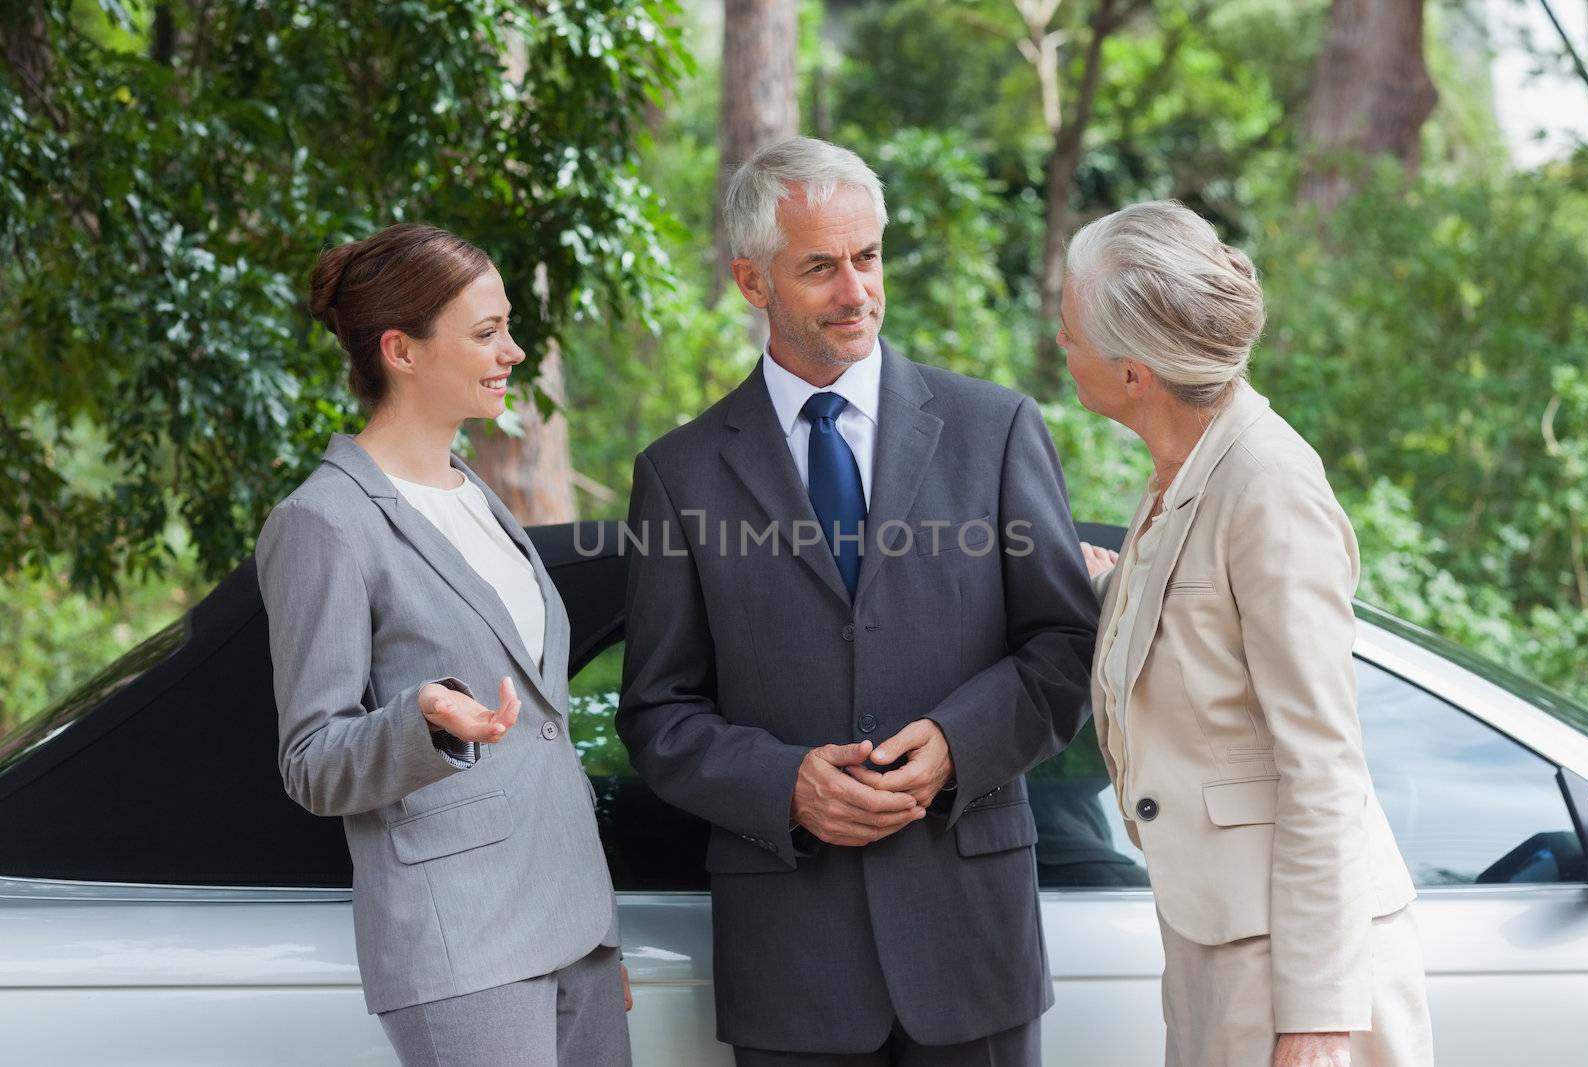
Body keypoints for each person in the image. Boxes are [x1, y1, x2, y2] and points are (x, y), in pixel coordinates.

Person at [617, 136, 1099, 1066]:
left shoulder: (996, 430)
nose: (856, 291)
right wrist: (783, 785)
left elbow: (1065, 646)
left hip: (974, 948)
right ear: (753, 282)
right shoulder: (678, 475)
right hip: (792, 964)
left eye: (868, 257)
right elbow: (658, 711)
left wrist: (960, 744)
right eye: (821, 268)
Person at [1060, 200, 1433, 1067]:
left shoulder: (1268, 485)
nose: (1060, 344)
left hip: (1294, 966)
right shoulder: (1184, 469)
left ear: (1134, 373)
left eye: (1070, 327)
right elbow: (1211, 635)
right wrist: (1117, 585)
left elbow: (1323, 762)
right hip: (1221, 933)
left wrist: (1313, 1021)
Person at [255, 223, 631, 1067]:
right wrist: (421, 722)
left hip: (574, 928)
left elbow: (540, 728)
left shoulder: (478, 497)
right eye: (487, 332)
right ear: (403, 350)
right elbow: (310, 758)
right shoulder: (323, 521)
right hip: (464, 945)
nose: (515, 350)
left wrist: (596, 927)